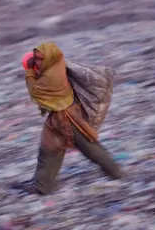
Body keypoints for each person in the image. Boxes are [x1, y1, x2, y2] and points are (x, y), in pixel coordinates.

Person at [18, 42, 124, 194]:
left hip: (68, 118)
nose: (36, 64)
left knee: (89, 147)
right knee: (49, 149)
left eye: (38, 61)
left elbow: (36, 94)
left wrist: (29, 72)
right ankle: (42, 186)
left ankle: (115, 172)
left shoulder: (50, 76)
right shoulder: (55, 66)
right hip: (60, 117)